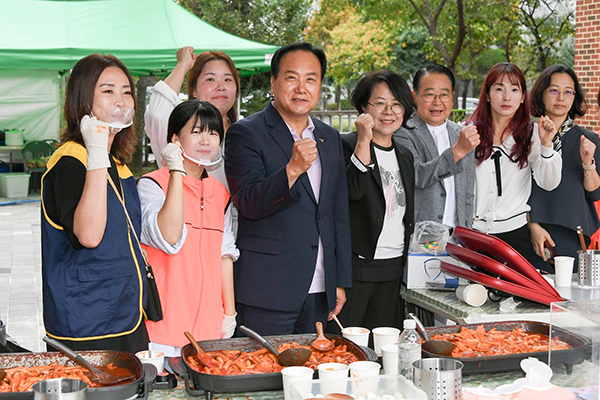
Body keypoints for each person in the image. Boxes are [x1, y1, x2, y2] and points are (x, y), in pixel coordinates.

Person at [225, 42, 352, 335]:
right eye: (291, 77)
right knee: (263, 373)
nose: (301, 88)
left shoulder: (329, 137)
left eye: (311, 79)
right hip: (268, 290)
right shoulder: (246, 133)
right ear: (274, 82)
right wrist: (292, 170)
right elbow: (248, 203)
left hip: (321, 288)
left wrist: (339, 279)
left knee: (316, 374)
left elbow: (337, 213)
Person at [41, 54, 148, 352]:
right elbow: (88, 236)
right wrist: (97, 153)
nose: (121, 100)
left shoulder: (119, 164)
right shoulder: (71, 161)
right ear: (83, 101)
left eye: (127, 91)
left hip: (128, 310)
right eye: (108, 90)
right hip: (87, 317)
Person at [138, 100, 238, 357]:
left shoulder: (221, 194)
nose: (206, 140)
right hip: (161, 328)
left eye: (213, 133)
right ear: (175, 139)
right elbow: (168, 236)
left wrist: (229, 313)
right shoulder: (152, 185)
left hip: (209, 328)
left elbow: (224, 256)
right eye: (196, 132)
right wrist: (175, 172)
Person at [337, 70, 415, 331]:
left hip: (393, 269)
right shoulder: (345, 146)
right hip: (357, 269)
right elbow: (353, 191)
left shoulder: (404, 155)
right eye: (380, 103)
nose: (388, 111)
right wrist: (363, 140)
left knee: (384, 347)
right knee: (349, 346)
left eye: (396, 104)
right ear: (363, 107)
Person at [468, 62, 562, 272]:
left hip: (514, 235)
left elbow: (549, 183)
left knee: (508, 301)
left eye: (514, 89)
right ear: (488, 95)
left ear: (522, 97)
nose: (506, 97)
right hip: (472, 232)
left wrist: (547, 145)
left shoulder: (532, 134)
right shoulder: (468, 131)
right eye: (499, 89)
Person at [528, 65, 600, 268]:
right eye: (554, 90)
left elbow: (595, 193)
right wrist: (533, 225)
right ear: (541, 94)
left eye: (568, 91)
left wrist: (588, 164)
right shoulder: (524, 136)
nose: (561, 97)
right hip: (532, 232)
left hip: (573, 233)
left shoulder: (589, 139)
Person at [396, 64, 478, 230]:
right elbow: (416, 176)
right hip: (421, 236)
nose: (437, 102)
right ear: (415, 96)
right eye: (430, 94)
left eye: (444, 95)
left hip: (457, 236)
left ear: (452, 97)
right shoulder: (403, 132)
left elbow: (467, 192)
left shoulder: (460, 134)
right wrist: (457, 152)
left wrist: (467, 229)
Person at [145, 46, 239, 187]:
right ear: (193, 90)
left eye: (228, 79)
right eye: (211, 79)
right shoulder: (181, 129)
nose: (221, 87)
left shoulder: (244, 133)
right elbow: (157, 112)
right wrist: (182, 65)